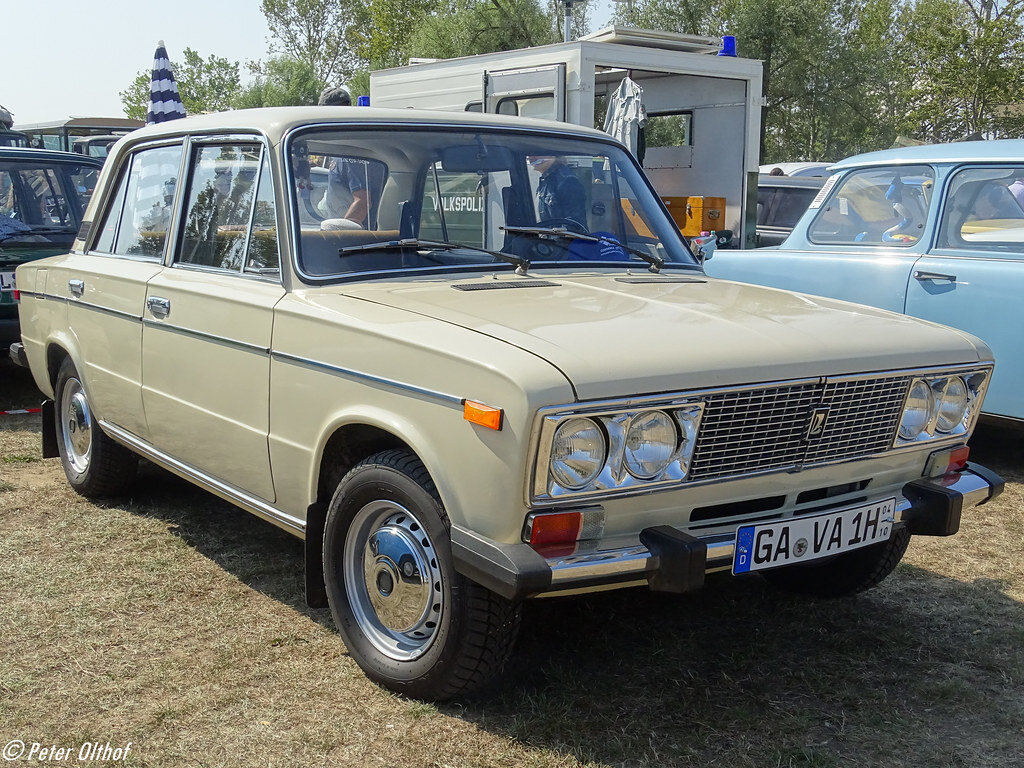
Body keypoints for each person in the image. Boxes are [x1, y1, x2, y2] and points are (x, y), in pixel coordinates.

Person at [316, 86, 383, 229]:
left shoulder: (352, 151)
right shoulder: (345, 147)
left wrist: (339, 235)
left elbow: (363, 202)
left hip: (353, 244)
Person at [528, 155, 587, 229]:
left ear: (552, 156)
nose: (530, 157)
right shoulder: (546, 179)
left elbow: (573, 224)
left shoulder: (567, 181)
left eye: (536, 153)